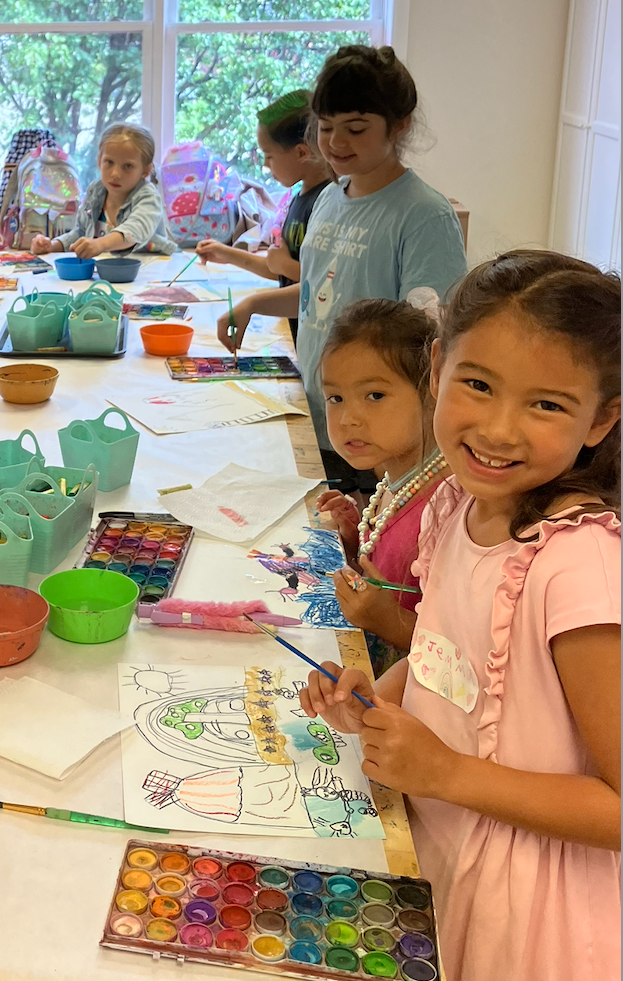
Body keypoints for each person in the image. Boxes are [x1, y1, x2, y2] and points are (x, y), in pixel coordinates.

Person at [300, 251, 621, 981]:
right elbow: (444, 659)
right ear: (437, 367)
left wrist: (445, 769)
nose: (500, 428)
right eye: (477, 383)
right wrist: (380, 692)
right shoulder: (455, 508)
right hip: (438, 850)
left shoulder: (581, 568)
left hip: (527, 914)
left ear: (603, 422)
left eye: (548, 404)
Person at [220, 45, 467, 492]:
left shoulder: (423, 215)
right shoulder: (331, 198)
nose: (335, 143)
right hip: (320, 413)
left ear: (400, 125)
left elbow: (430, 338)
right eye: (326, 128)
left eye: (355, 128)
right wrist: (255, 304)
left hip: (377, 436)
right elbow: (321, 294)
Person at [315, 298, 446, 674]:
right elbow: (388, 570)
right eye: (335, 398)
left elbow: (465, 651)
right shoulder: (395, 478)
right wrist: (354, 540)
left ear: (431, 388)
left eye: (374, 396)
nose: (348, 419)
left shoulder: (449, 506)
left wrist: (388, 622)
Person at [196, 90, 333, 340]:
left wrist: (284, 266)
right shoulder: (299, 198)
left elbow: (328, 282)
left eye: (269, 156)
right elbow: (279, 267)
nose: (265, 166)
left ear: (302, 153)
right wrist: (227, 254)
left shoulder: (328, 203)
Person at [30, 123, 175, 258]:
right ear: (99, 161)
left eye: (128, 166)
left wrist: (100, 243)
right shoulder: (96, 191)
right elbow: (80, 234)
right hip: (106, 273)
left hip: (149, 272)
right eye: (109, 162)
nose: (115, 174)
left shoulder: (148, 196)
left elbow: (135, 230)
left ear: (145, 170)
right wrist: (53, 245)